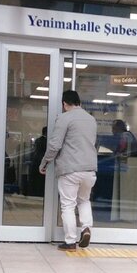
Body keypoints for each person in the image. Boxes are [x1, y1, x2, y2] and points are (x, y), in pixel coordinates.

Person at [40, 90, 98, 250]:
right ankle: (86, 228)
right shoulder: (91, 119)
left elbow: (55, 145)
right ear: (79, 103)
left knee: (68, 205)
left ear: (64, 104)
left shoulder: (64, 118)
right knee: (84, 200)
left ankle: (70, 241)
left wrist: (45, 163)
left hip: (70, 169)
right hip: (89, 169)